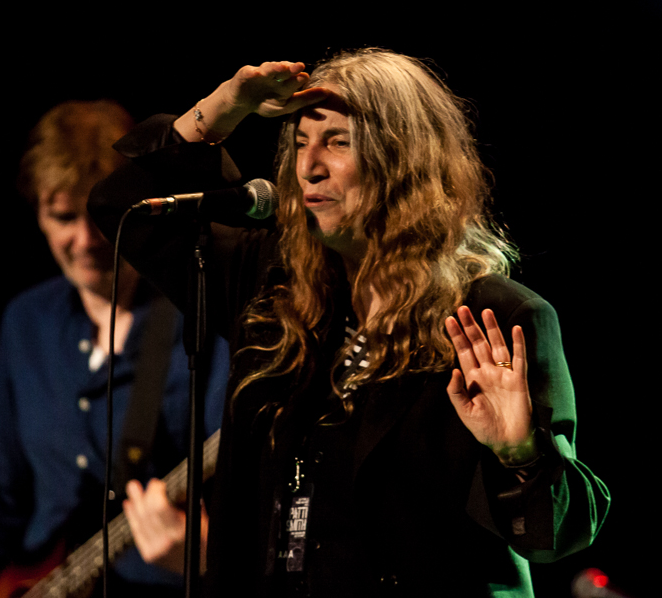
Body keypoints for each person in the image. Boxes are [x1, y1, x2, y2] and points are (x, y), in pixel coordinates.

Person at [88, 50, 610, 597]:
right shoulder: (272, 288)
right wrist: (222, 108)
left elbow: (554, 538)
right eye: (298, 143)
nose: (309, 166)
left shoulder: (494, 317)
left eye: (338, 141)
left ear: (402, 158)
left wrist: (520, 453)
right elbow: (120, 203)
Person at [0, 100, 229, 598]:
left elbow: (253, 498)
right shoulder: (27, 321)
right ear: (38, 212)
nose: (86, 240)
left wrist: (204, 557)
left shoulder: (199, 314)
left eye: (99, 215)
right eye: (63, 216)